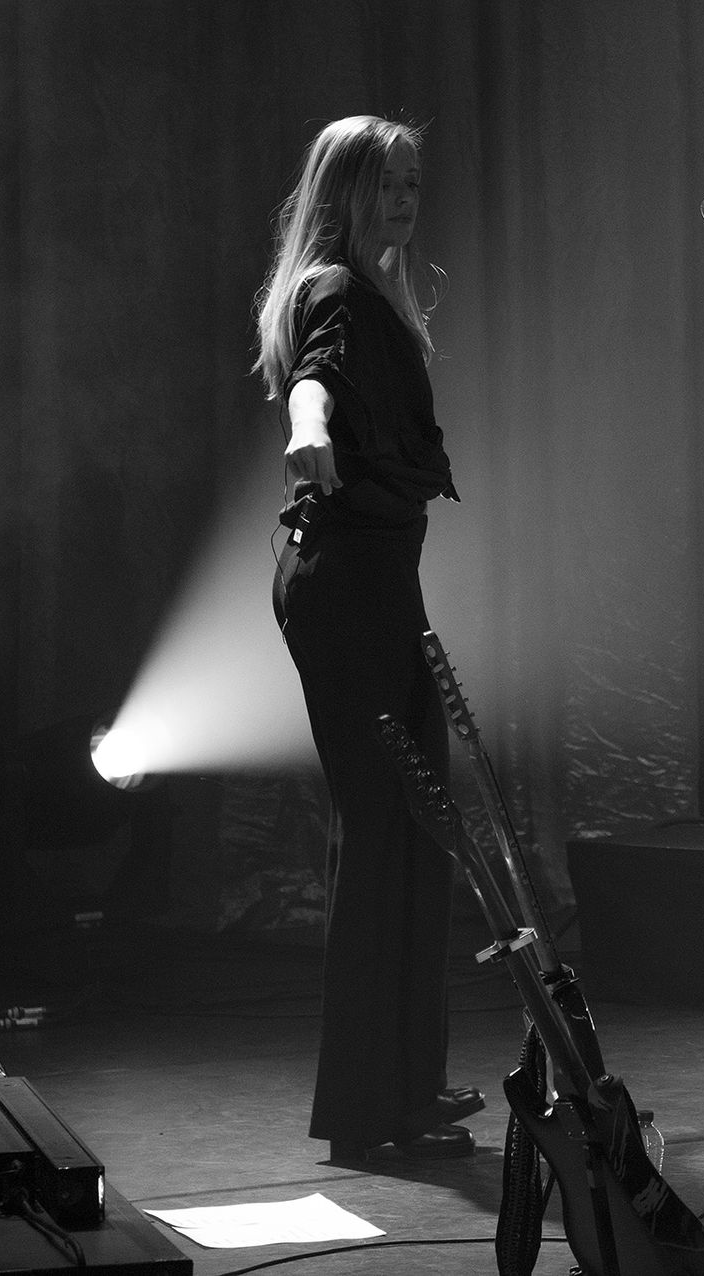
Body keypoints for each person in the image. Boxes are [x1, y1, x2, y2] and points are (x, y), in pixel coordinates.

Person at [255, 115, 479, 1163]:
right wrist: (307, 431)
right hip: (346, 583)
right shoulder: (337, 295)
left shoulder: (372, 294)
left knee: (416, 824)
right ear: (341, 191)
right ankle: (366, 1108)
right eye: (387, 182)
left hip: (377, 578)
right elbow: (318, 380)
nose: (405, 199)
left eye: (414, 182)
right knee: (387, 828)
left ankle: (405, 1086)